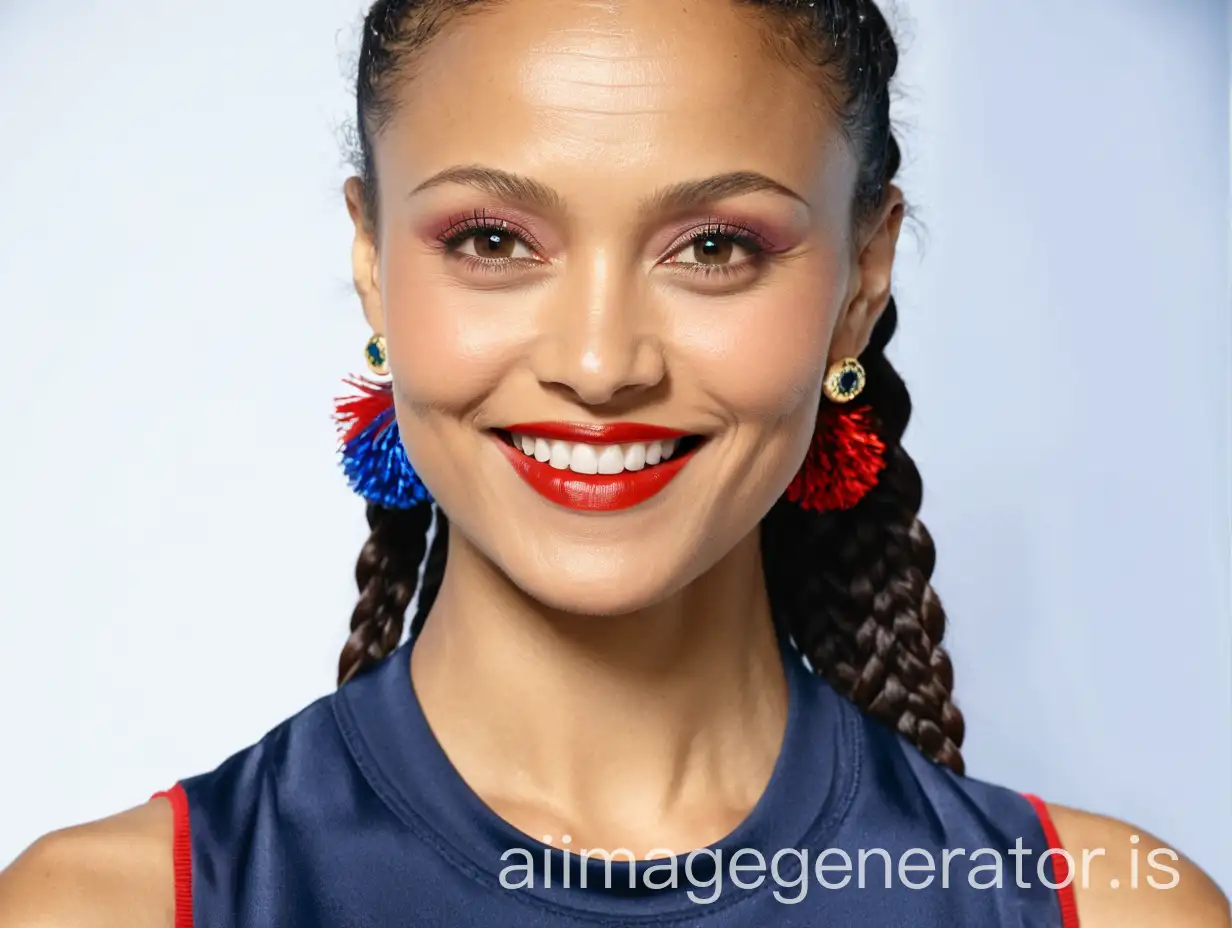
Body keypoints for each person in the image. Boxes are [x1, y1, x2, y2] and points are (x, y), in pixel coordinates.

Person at [1, 0, 1227, 925]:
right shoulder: (102, 906)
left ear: (862, 282)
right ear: (373, 262)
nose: (599, 363)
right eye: (491, 238)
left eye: (711, 247)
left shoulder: (1111, 909)